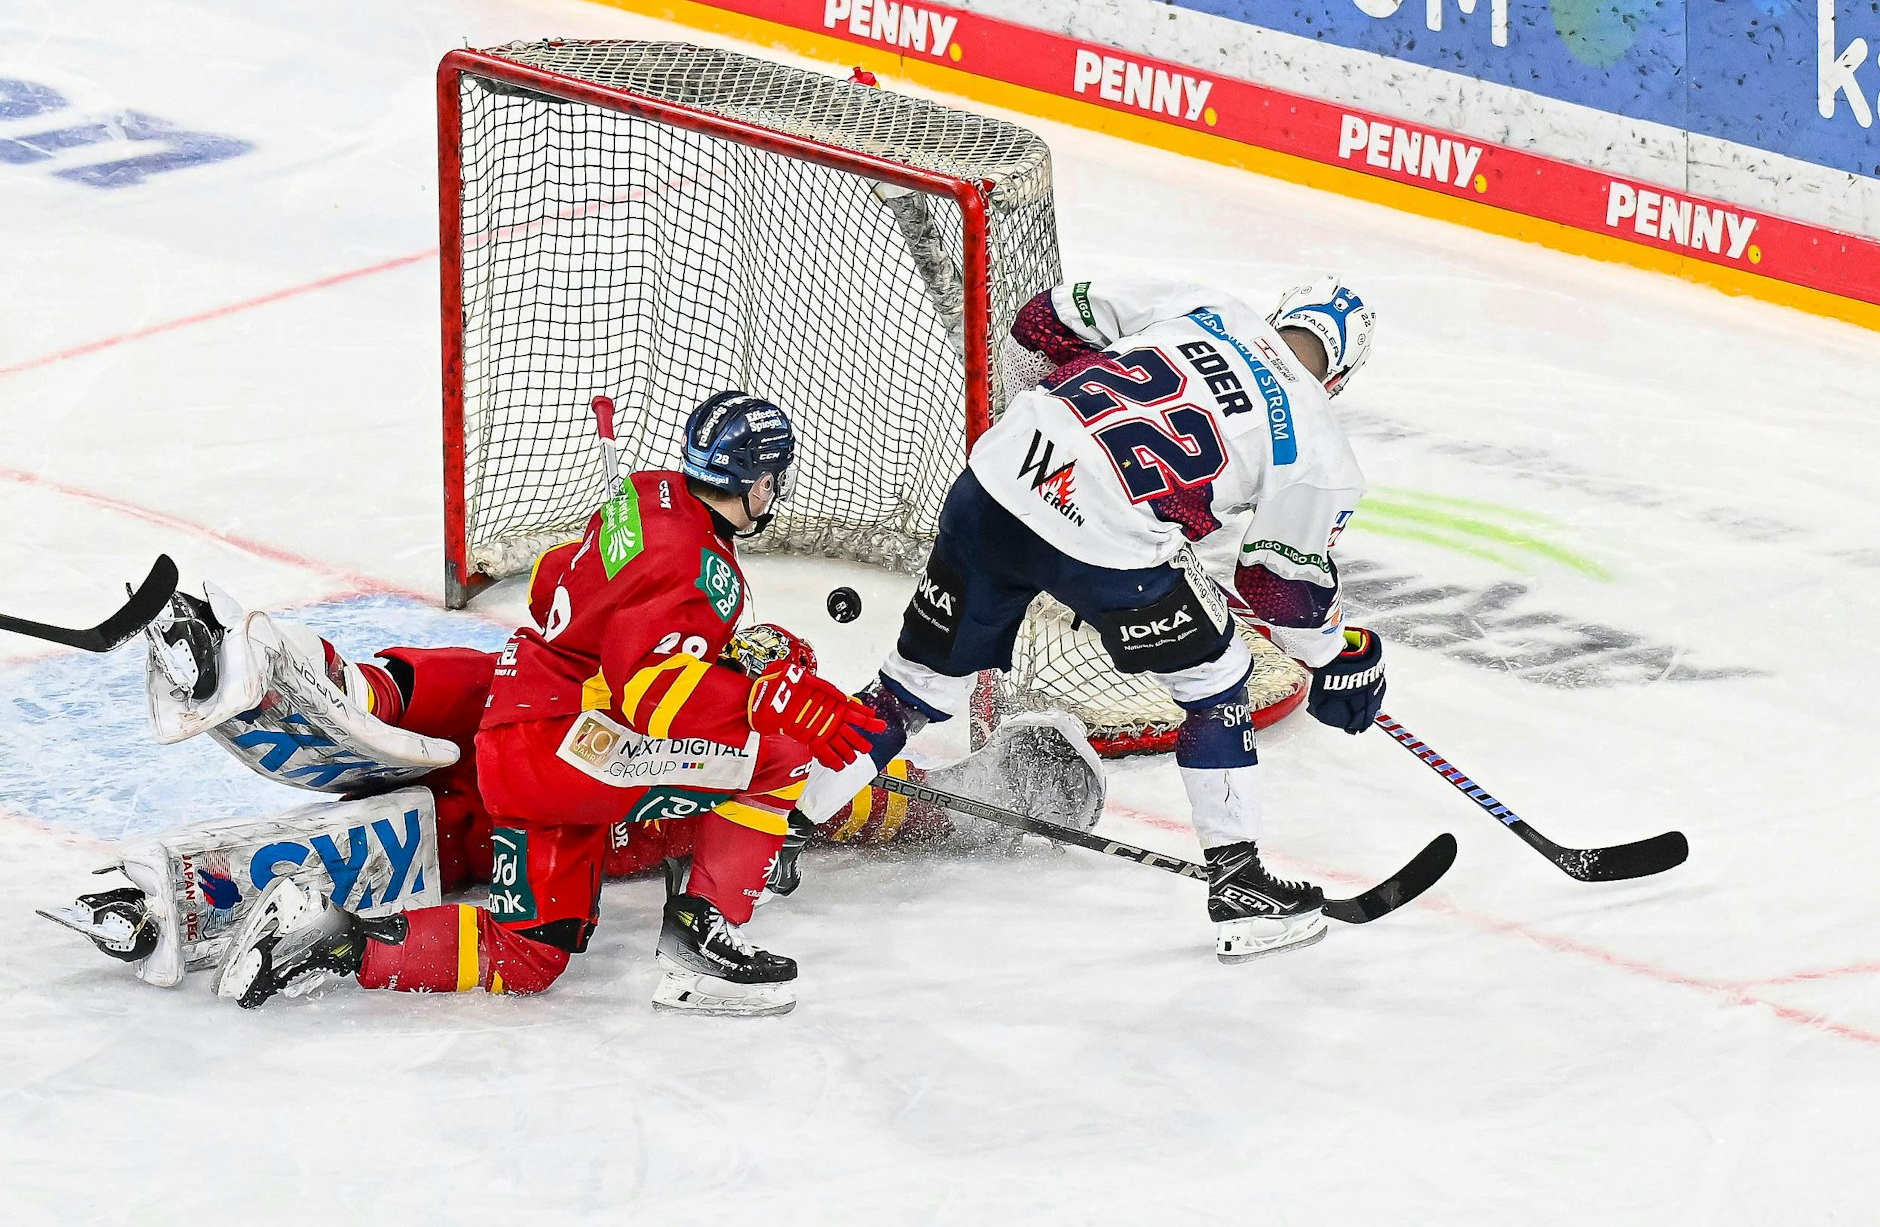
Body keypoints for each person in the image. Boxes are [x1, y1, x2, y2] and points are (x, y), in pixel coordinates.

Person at [209, 391, 885, 1015]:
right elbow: (653, 696)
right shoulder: (707, 573)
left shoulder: (646, 494)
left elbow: (552, 583)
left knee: (527, 955)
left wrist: (701, 650)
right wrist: (763, 695)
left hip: (516, 712)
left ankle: (329, 937)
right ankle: (701, 950)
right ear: (759, 482)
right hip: (566, 756)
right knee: (781, 753)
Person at [793, 276, 1389, 963]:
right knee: (1217, 681)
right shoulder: (1320, 443)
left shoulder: (1209, 306)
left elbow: (1041, 320)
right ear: (1338, 377)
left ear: (1278, 313)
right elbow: (1276, 586)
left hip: (996, 480)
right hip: (1108, 545)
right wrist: (1336, 656)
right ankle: (1240, 887)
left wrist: (1059, 439)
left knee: (917, 684)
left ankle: (774, 829)